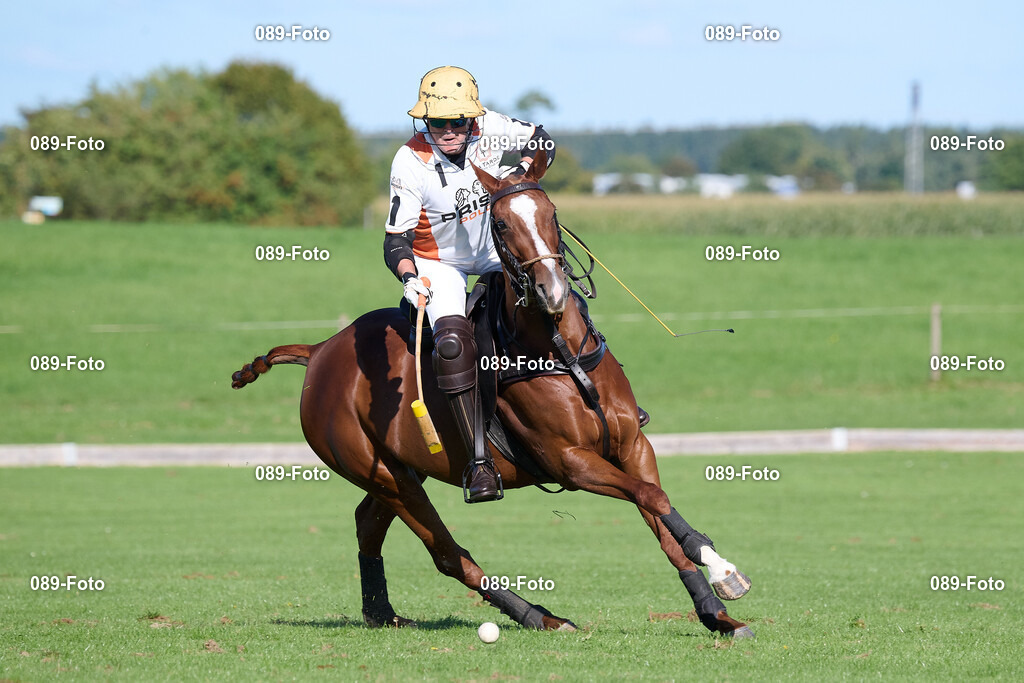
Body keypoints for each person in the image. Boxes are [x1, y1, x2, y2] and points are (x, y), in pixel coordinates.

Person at [383, 66, 556, 503]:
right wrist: (408, 277)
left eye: (456, 121)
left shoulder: (492, 128)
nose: (447, 130)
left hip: (495, 248)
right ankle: (479, 462)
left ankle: (596, 400)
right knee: (454, 343)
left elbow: (544, 141)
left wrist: (520, 170)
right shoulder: (410, 160)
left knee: (551, 290)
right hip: (440, 261)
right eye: (436, 122)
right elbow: (395, 239)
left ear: (471, 118)